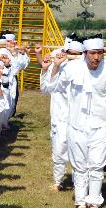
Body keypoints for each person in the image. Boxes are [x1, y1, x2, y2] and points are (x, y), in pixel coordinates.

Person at [42, 34, 106, 208]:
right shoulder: (72, 68)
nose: (96, 57)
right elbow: (50, 88)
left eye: (100, 53)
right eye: (92, 53)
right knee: (79, 164)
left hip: (101, 125)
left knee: (97, 165)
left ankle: (95, 202)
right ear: (85, 53)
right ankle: (81, 201)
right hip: (76, 125)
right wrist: (55, 67)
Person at [37, 45, 70, 191]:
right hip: (59, 116)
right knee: (58, 149)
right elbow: (45, 88)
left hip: (80, 118)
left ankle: (82, 183)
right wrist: (46, 68)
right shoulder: (56, 65)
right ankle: (58, 181)